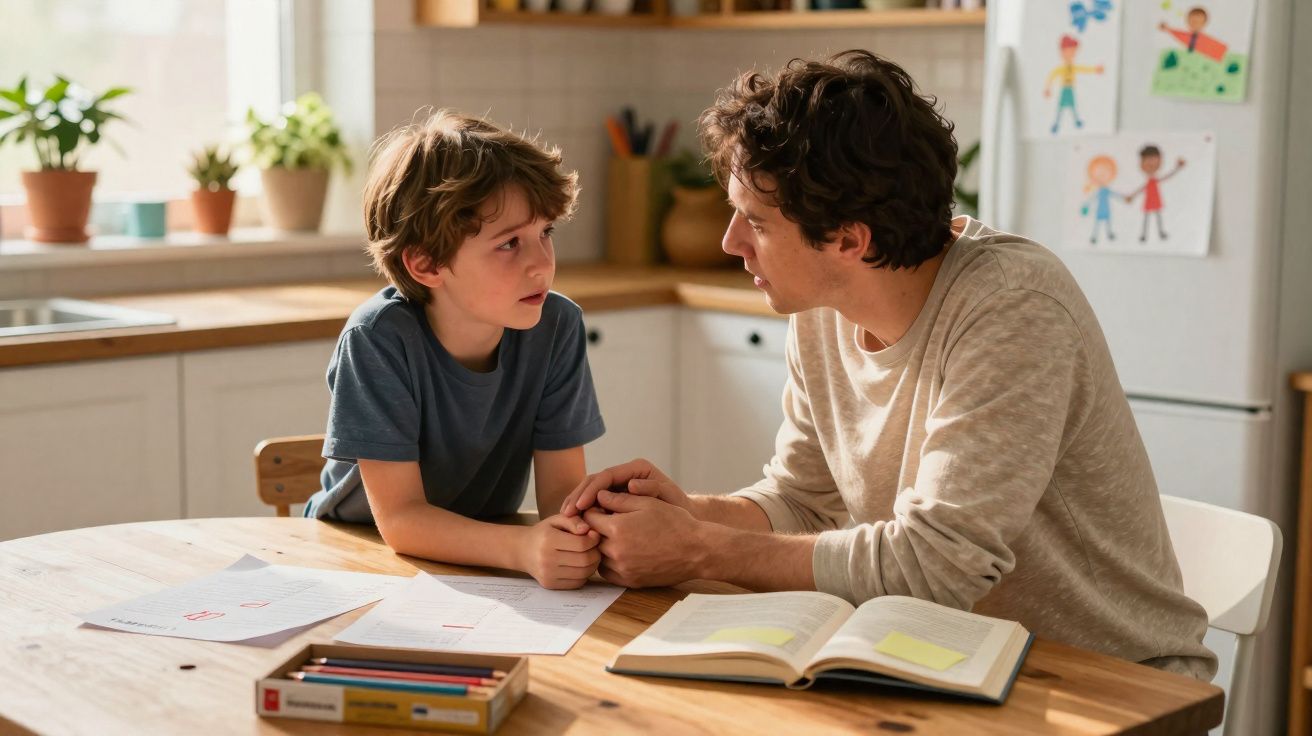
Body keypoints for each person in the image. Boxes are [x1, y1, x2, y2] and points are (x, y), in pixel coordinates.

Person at [561, 51, 1216, 679]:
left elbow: (937, 563)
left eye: (755, 223)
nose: (731, 243)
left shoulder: (1013, 309)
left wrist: (700, 548)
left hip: (1108, 678)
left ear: (850, 239)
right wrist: (688, 513)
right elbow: (803, 500)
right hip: (947, 657)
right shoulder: (823, 304)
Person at [305, 110, 606, 590]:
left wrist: (585, 539)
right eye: (510, 243)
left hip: (483, 554)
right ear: (427, 264)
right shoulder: (377, 339)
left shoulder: (557, 326)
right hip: (360, 553)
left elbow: (562, 497)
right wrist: (523, 548)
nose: (542, 265)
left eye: (545, 233)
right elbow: (401, 519)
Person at [1125, 145, 1186, 242]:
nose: (1150, 165)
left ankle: (1159, 232)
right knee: (1147, 217)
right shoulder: (1150, 181)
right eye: (1147, 162)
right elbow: (1141, 189)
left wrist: (1177, 168)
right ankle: (1144, 234)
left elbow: (1167, 177)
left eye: (1154, 162)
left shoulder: (1154, 180)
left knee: (1157, 216)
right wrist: (1132, 196)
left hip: (1155, 199)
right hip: (1149, 200)